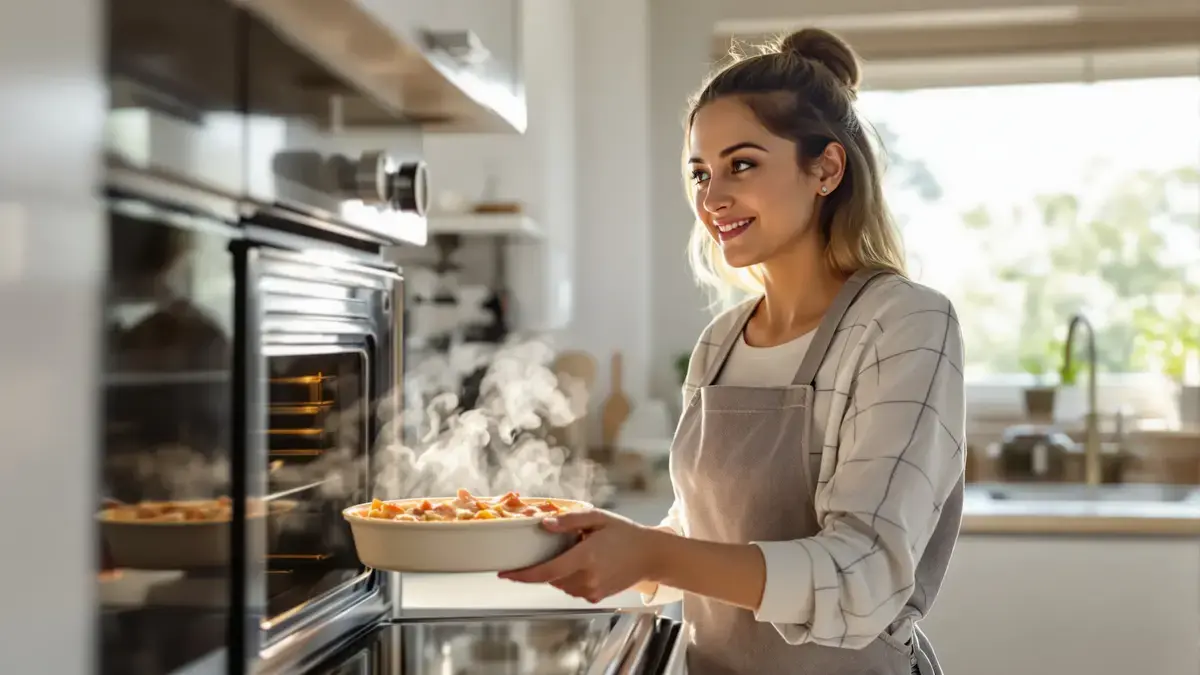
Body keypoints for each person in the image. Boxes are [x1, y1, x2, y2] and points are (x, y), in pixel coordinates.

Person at [500, 27, 965, 675]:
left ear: (826, 168)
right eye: (699, 171)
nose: (711, 198)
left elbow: (863, 574)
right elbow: (704, 534)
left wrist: (653, 556)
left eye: (741, 164)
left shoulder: (904, 321)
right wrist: (606, 540)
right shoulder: (720, 341)